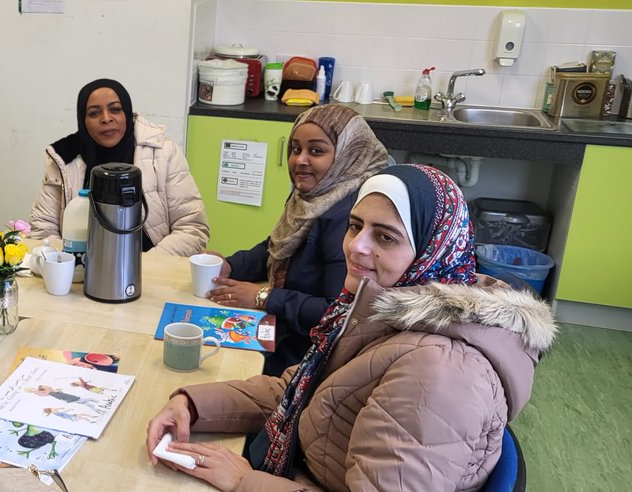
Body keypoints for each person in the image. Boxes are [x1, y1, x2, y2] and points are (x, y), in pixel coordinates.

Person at [146, 164, 556, 491]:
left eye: (386, 237)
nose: (356, 246)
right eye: (356, 225)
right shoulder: (386, 311)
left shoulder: (438, 372)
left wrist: (242, 481)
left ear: (431, 252)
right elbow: (300, 391)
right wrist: (193, 404)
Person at [206, 104, 390, 376]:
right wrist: (231, 266)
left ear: (348, 154)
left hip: (312, 353)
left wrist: (263, 296)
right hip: (289, 330)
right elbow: (279, 247)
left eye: (316, 151)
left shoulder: (349, 216)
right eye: (295, 149)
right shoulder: (315, 196)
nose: (300, 160)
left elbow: (336, 311)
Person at [29, 78, 208, 256]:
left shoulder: (163, 153)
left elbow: (191, 228)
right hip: (81, 271)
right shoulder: (64, 157)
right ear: (83, 121)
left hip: (152, 268)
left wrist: (143, 266)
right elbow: (44, 227)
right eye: (93, 113)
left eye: (115, 110)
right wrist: (73, 266)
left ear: (128, 113)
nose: (106, 119)